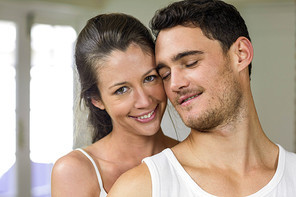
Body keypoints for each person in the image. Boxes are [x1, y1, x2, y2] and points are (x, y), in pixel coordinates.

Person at [108, 0, 296, 196]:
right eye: (165, 75)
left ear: (240, 54)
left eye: (190, 63)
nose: (174, 84)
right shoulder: (141, 188)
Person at [51, 13, 178, 197]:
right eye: (121, 90)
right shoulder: (75, 171)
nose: (144, 101)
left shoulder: (193, 158)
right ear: (96, 99)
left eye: (150, 78)